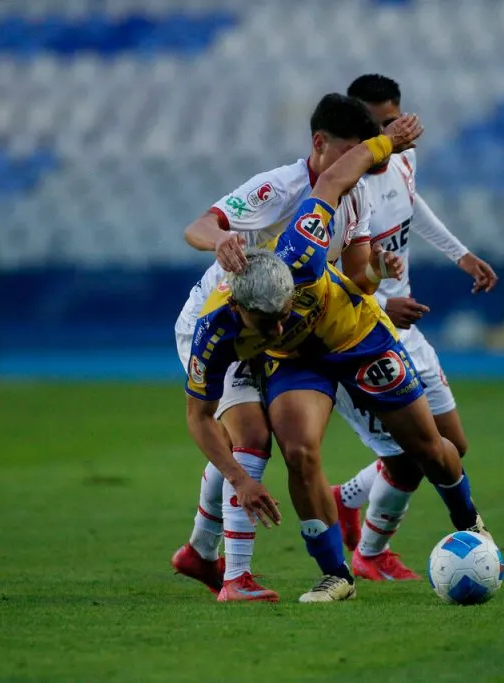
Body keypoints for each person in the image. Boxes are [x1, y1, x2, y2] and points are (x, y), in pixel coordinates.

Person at [186, 117, 494, 603]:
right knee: (299, 453)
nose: (278, 328)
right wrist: (241, 480)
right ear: (240, 310)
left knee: (428, 449)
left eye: (284, 314)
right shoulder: (213, 331)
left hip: (358, 337)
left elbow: (331, 180)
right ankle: (337, 574)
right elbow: (198, 416)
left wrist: (385, 143)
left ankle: (469, 522)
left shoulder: (303, 248)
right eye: (267, 324)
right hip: (296, 362)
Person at [171, 94, 403, 602]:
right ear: (319, 143)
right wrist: (219, 241)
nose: (357, 166)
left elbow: (356, 280)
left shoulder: (356, 196)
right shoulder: (280, 188)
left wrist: (378, 271)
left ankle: (200, 551)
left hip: (276, 334)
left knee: (249, 443)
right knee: (251, 439)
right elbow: (198, 227)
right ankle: (236, 579)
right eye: (350, 153)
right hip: (222, 326)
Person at [331, 74, 499, 581]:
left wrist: (460, 254)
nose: (391, 135)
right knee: (410, 457)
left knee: (452, 449)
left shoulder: (404, 158)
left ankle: (349, 497)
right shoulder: (341, 188)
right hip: (359, 336)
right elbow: (321, 274)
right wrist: (383, 305)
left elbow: (410, 201)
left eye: (394, 122)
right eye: (377, 127)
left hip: (405, 329)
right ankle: (371, 553)